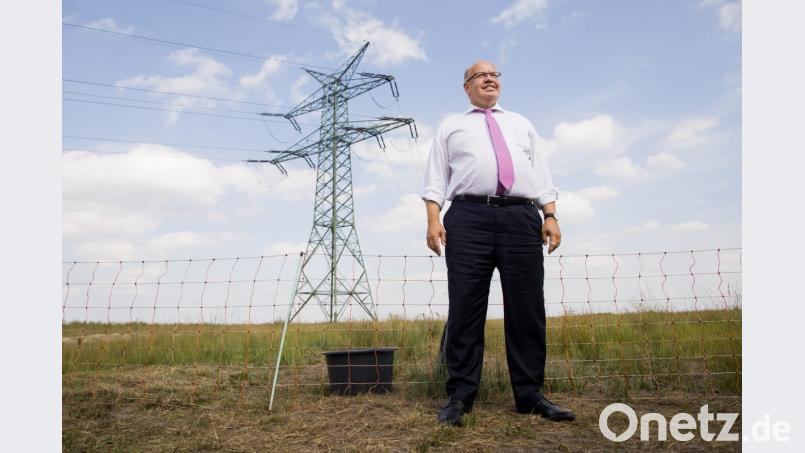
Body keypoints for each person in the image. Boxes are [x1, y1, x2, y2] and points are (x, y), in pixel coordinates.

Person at [422, 60, 575, 426]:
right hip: (468, 217)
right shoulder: (451, 126)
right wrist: (433, 219)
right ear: (466, 86)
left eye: (495, 74)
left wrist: (550, 215)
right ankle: (460, 397)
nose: (490, 78)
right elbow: (435, 178)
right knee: (466, 308)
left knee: (527, 308)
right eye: (480, 75)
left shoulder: (521, 124)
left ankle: (530, 395)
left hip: (521, 218)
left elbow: (541, 175)